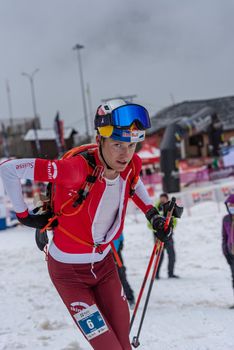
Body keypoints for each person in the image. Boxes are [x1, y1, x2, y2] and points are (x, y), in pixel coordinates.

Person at [0, 99, 173, 350]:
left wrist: (152, 215)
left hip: (104, 267)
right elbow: (9, 169)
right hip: (70, 276)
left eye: (132, 145)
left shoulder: (130, 165)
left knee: (124, 343)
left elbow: (133, 183)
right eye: (117, 145)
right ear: (99, 139)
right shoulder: (75, 170)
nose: (126, 154)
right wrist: (24, 215)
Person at [148, 192, 179, 279]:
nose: (162, 200)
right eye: (161, 198)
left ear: (167, 199)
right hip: (158, 236)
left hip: (168, 236)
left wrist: (171, 228)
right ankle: (156, 274)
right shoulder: (155, 209)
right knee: (159, 256)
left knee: (172, 255)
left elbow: (175, 221)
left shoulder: (171, 208)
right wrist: (156, 229)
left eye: (164, 198)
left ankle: (171, 273)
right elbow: (149, 224)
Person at [113, 233, 135, 308]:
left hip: (115, 254)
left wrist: (120, 243)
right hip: (104, 255)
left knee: (122, 277)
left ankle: (130, 298)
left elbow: (120, 236)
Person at [222, 194, 234, 309]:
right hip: (231, 253)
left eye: (232, 204)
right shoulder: (226, 219)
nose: (231, 206)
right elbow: (224, 237)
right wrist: (225, 251)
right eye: (229, 205)